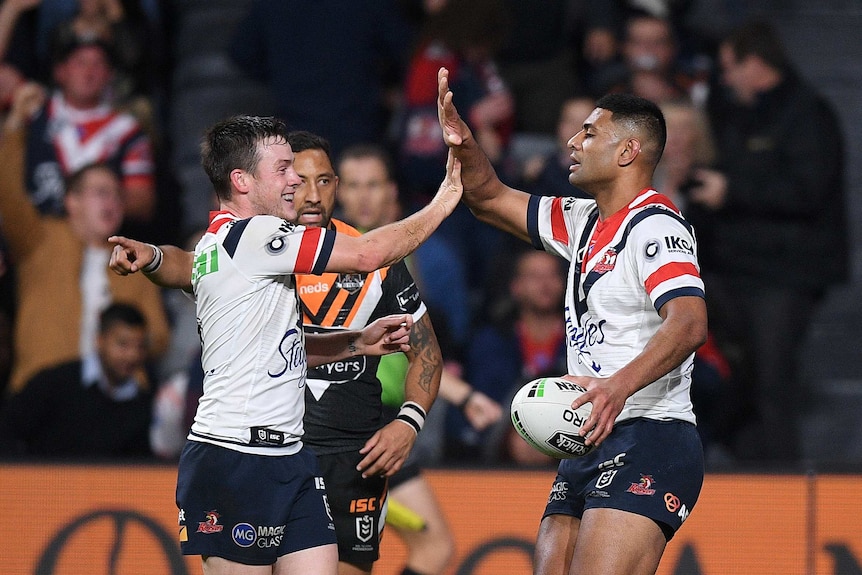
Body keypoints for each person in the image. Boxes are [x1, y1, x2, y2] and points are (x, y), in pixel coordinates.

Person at [108, 114, 463, 574]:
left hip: (291, 458)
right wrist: (447, 197)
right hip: (236, 455)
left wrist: (355, 341)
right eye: (282, 169)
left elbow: (276, 341)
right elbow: (368, 254)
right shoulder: (255, 236)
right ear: (241, 181)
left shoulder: (220, 243)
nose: (296, 180)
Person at [438, 67, 708, 574]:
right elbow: (490, 197)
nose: (573, 142)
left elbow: (689, 324)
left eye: (589, 132)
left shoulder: (655, 226)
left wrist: (616, 388)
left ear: (628, 151)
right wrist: (465, 142)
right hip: (590, 437)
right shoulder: (583, 220)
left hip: (650, 433)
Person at [336, 141, 503, 575]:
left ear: (391, 191)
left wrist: (465, 397)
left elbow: (408, 351)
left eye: (373, 184)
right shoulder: (324, 256)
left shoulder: (407, 260)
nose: (364, 196)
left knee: (433, 549)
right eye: (353, 185)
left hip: (383, 426)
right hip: (338, 427)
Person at [688, 20, 848, 463]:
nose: (725, 78)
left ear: (756, 64)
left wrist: (731, 191)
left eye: (731, 67)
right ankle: (746, 472)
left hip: (785, 274)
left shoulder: (807, 115)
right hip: (733, 268)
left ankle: (783, 486)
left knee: (772, 381)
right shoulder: (737, 113)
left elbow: (807, 191)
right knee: (739, 376)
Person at [0, 82, 169, 395]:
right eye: (101, 193)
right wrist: (13, 126)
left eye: (118, 195)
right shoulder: (38, 239)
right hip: (42, 393)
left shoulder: (135, 258)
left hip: (116, 399)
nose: (113, 202)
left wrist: (128, 344)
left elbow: (158, 337)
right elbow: (6, 191)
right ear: (71, 202)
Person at [455, 245, 568, 466]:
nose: (545, 284)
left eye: (552, 275)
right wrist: (510, 437)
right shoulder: (491, 342)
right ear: (516, 287)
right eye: (535, 276)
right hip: (499, 458)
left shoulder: (584, 340)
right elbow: (483, 406)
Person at [0, 302, 155, 458]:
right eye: (123, 344)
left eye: (140, 347)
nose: (132, 355)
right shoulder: (54, 383)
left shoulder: (144, 402)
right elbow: (9, 429)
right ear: (99, 340)